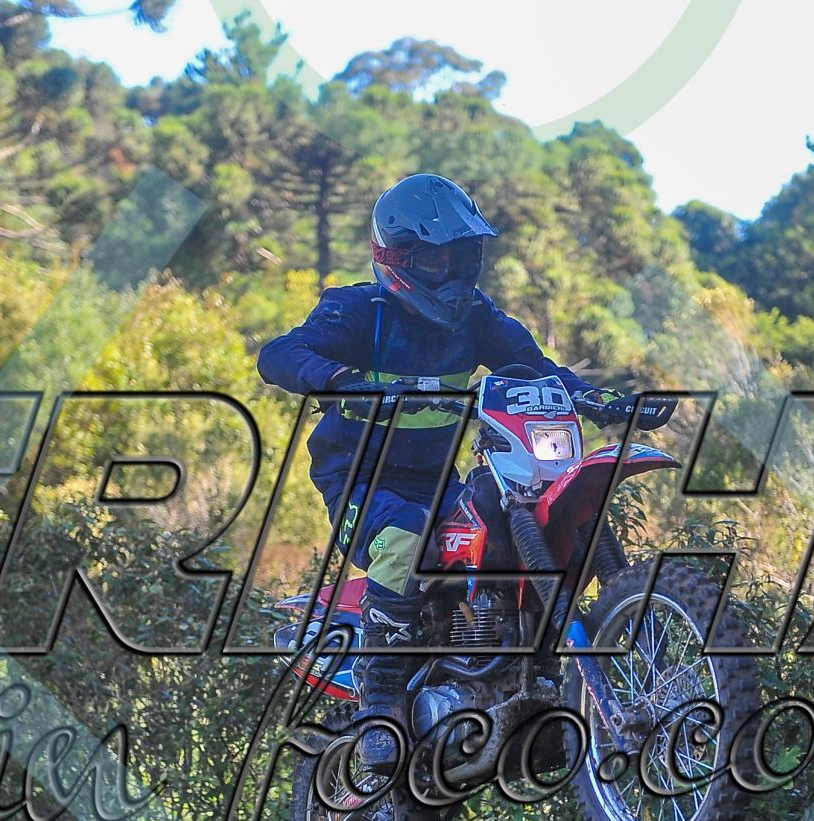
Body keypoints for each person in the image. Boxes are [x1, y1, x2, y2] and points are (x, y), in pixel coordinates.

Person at [258, 173, 669, 768]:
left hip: (438, 483)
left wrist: (604, 402)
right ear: (397, 257)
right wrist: (345, 382)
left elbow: (535, 368)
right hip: (361, 484)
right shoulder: (357, 310)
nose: (451, 272)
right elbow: (278, 354)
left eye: (462, 256)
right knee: (408, 542)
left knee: (516, 512)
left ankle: (540, 663)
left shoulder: (476, 316)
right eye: (435, 258)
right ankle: (381, 697)